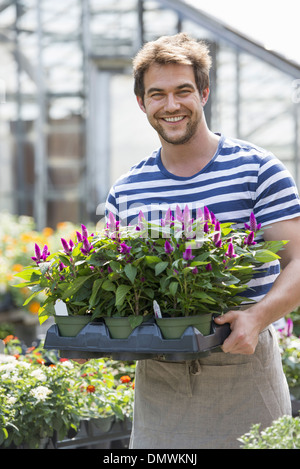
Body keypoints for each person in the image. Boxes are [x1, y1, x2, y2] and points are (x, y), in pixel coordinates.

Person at [105, 33, 300, 449]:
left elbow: (298, 259)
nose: (171, 105)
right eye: (157, 94)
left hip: (242, 367)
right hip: (158, 381)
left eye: (183, 91)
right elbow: (116, 281)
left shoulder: (257, 170)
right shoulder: (127, 190)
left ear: (204, 93)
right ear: (142, 103)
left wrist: (258, 316)